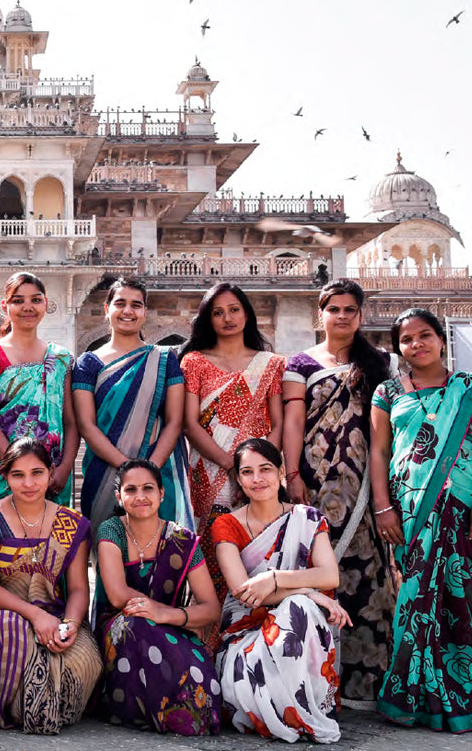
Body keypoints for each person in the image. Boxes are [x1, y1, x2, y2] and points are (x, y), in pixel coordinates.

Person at [370, 309, 472, 734]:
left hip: (466, 513)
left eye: (425, 335)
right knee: (414, 604)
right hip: (410, 515)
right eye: (407, 339)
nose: (417, 344)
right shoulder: (388, 392)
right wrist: (382, 507)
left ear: (441, 339)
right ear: (398, 348)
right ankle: (410, 698)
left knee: (469, 601)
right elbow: (378, 453)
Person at [282, 279, 395, 709]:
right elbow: (293, 423)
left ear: (361, 316)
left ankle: (362, 687)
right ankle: (315, 683)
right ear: (321, 314)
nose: (342, 316)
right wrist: (291, 474)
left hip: (368, 485)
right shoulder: (301, 363)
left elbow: (390, 430)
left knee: (370, 576)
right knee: (312, 572)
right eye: (335, 309)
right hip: (316, 482)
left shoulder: (382, 363)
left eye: (351, 310)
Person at [213, 439, 349, 744]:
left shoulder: (307, 518)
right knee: (300, 603)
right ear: (238, 478)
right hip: (246, 634)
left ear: (281, 472)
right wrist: (307, 590)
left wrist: (274, 579)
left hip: (302, 633)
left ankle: (300, 704)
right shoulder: (226, 524)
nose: (257, 479)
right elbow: (244, 593)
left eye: (265, 469)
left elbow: (329, 574)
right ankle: (285, 707)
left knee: (297, 609)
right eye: (247, 472)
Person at [0, 438, 101, 734]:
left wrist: (71, 625)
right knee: (16, 634)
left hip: (54, 618)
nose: (28, 483)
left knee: (86, 658)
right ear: (5, 477)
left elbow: (79, 588)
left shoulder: (71, 523)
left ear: (51, 473)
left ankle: (38, 705)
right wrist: (35, 617)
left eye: (37, 473)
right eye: (17, 475)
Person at [95, 459, 221, 735]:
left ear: (162, 493)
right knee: (136, 625)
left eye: (148, 488)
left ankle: (182, 709)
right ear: (119, 496)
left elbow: (211, 608)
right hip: (121, 625)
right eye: (131, 490)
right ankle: (152, 711)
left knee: (198, 673)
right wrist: (152, 612)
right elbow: (117, 596)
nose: (140, 497)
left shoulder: (183, 539)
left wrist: (166, 614)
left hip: (171, 627)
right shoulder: (111, 530)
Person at [180, 282, 284, 607]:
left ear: (247, 314)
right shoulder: (194, 361)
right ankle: (212, 636)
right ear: (207, 319)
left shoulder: (270, 364)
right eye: (218, 312)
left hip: (258, 476)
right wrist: (230, 464)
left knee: (258, 544)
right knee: (211, 547)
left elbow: (278, 423)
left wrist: (261, 468)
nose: (227, 318)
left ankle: (256, 630)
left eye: (234, 309)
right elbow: (189, 423)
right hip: (209, 472)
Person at [74, 277, 191, 531]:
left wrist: (150, 471)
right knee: (107, 546)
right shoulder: (88, 363)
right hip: (104, 471)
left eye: (136, 305)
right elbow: (86, 424)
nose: (128, 311)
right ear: (107, 310)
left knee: (161, 552)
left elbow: (174, 421)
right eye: (120, 303)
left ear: (145, 312)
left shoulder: (164, 359)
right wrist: (125, 467)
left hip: (158, 471)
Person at [0, 273, 77, 507]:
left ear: (46, 304)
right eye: (18, 300)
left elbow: (69, 421)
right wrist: (18, 468)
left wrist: (65, 467)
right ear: (5, 306)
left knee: (53, 541)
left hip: (53, 474)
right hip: (4, 472)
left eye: (36, 300)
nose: (27, 307)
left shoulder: (60, 358)